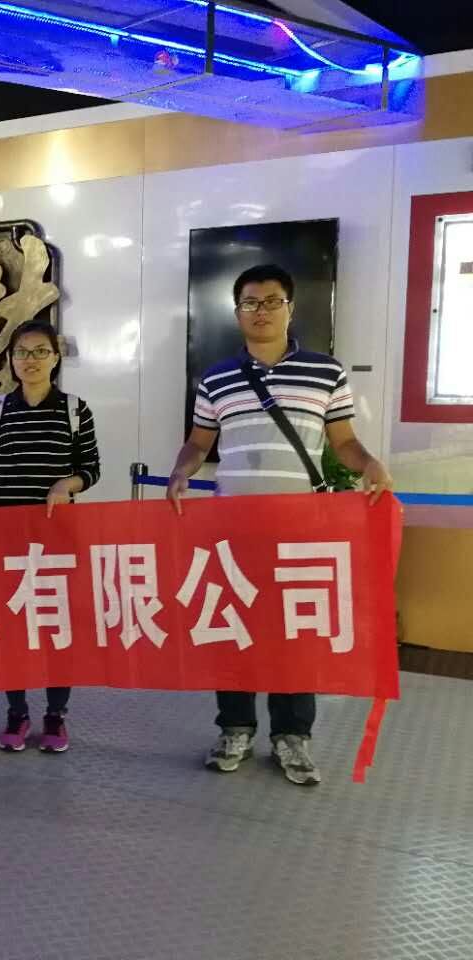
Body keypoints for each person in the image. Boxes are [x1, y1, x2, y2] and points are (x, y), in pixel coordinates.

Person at [167, 263, 393, 786]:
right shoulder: (216, 378)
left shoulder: (325, 372)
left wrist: (370, 465)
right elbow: (199, 443)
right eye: (250, 302)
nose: (261, 311)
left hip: (300, 530)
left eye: (272, 301)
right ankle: (235, 728)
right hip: (234, 527)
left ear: (290, 308)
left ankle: (293, 736)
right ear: (237, 312)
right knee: (234, 627)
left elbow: (343, 442)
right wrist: (181, 471)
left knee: (296, 633)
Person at [0, 316, 100, 754]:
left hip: (58, 541)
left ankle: (56, 715)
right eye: (22, 352)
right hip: (6, 539)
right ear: (11, 359)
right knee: (12, 630)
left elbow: (91, 469)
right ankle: (17, 713)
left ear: (56, 358)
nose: (31, 360)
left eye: (41, 351)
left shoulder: (75, 410)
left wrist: (66, 485)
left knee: (58, 629)